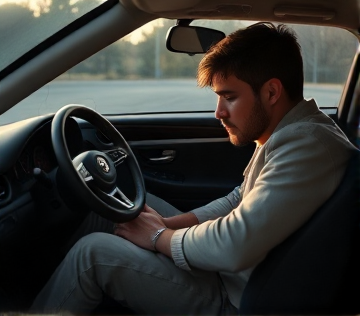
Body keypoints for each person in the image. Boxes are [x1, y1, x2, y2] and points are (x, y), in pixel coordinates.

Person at [31, 22, 358, 315]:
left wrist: (159, 237)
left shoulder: (306, 147)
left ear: (271, 92)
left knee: (91, 255)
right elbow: (237, 200)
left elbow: (235, 245)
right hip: (232, 273)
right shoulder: (293, 132)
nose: (218, 112)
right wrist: (167, 224)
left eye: (229, 97)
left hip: (234, 297)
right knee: (115, 210)